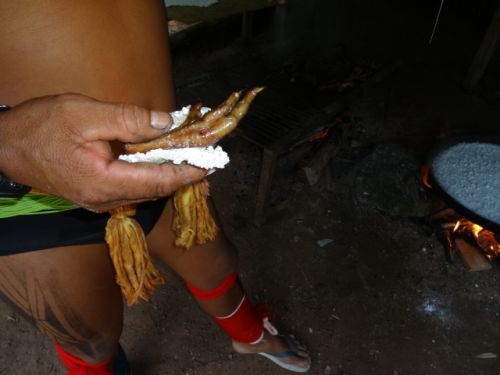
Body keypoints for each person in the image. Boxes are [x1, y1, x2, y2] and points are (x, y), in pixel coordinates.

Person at [0, 1, 311, 374]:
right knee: (91, 340)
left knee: (217, 264)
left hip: (159, 154)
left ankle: (249, 336)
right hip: (30, 190)